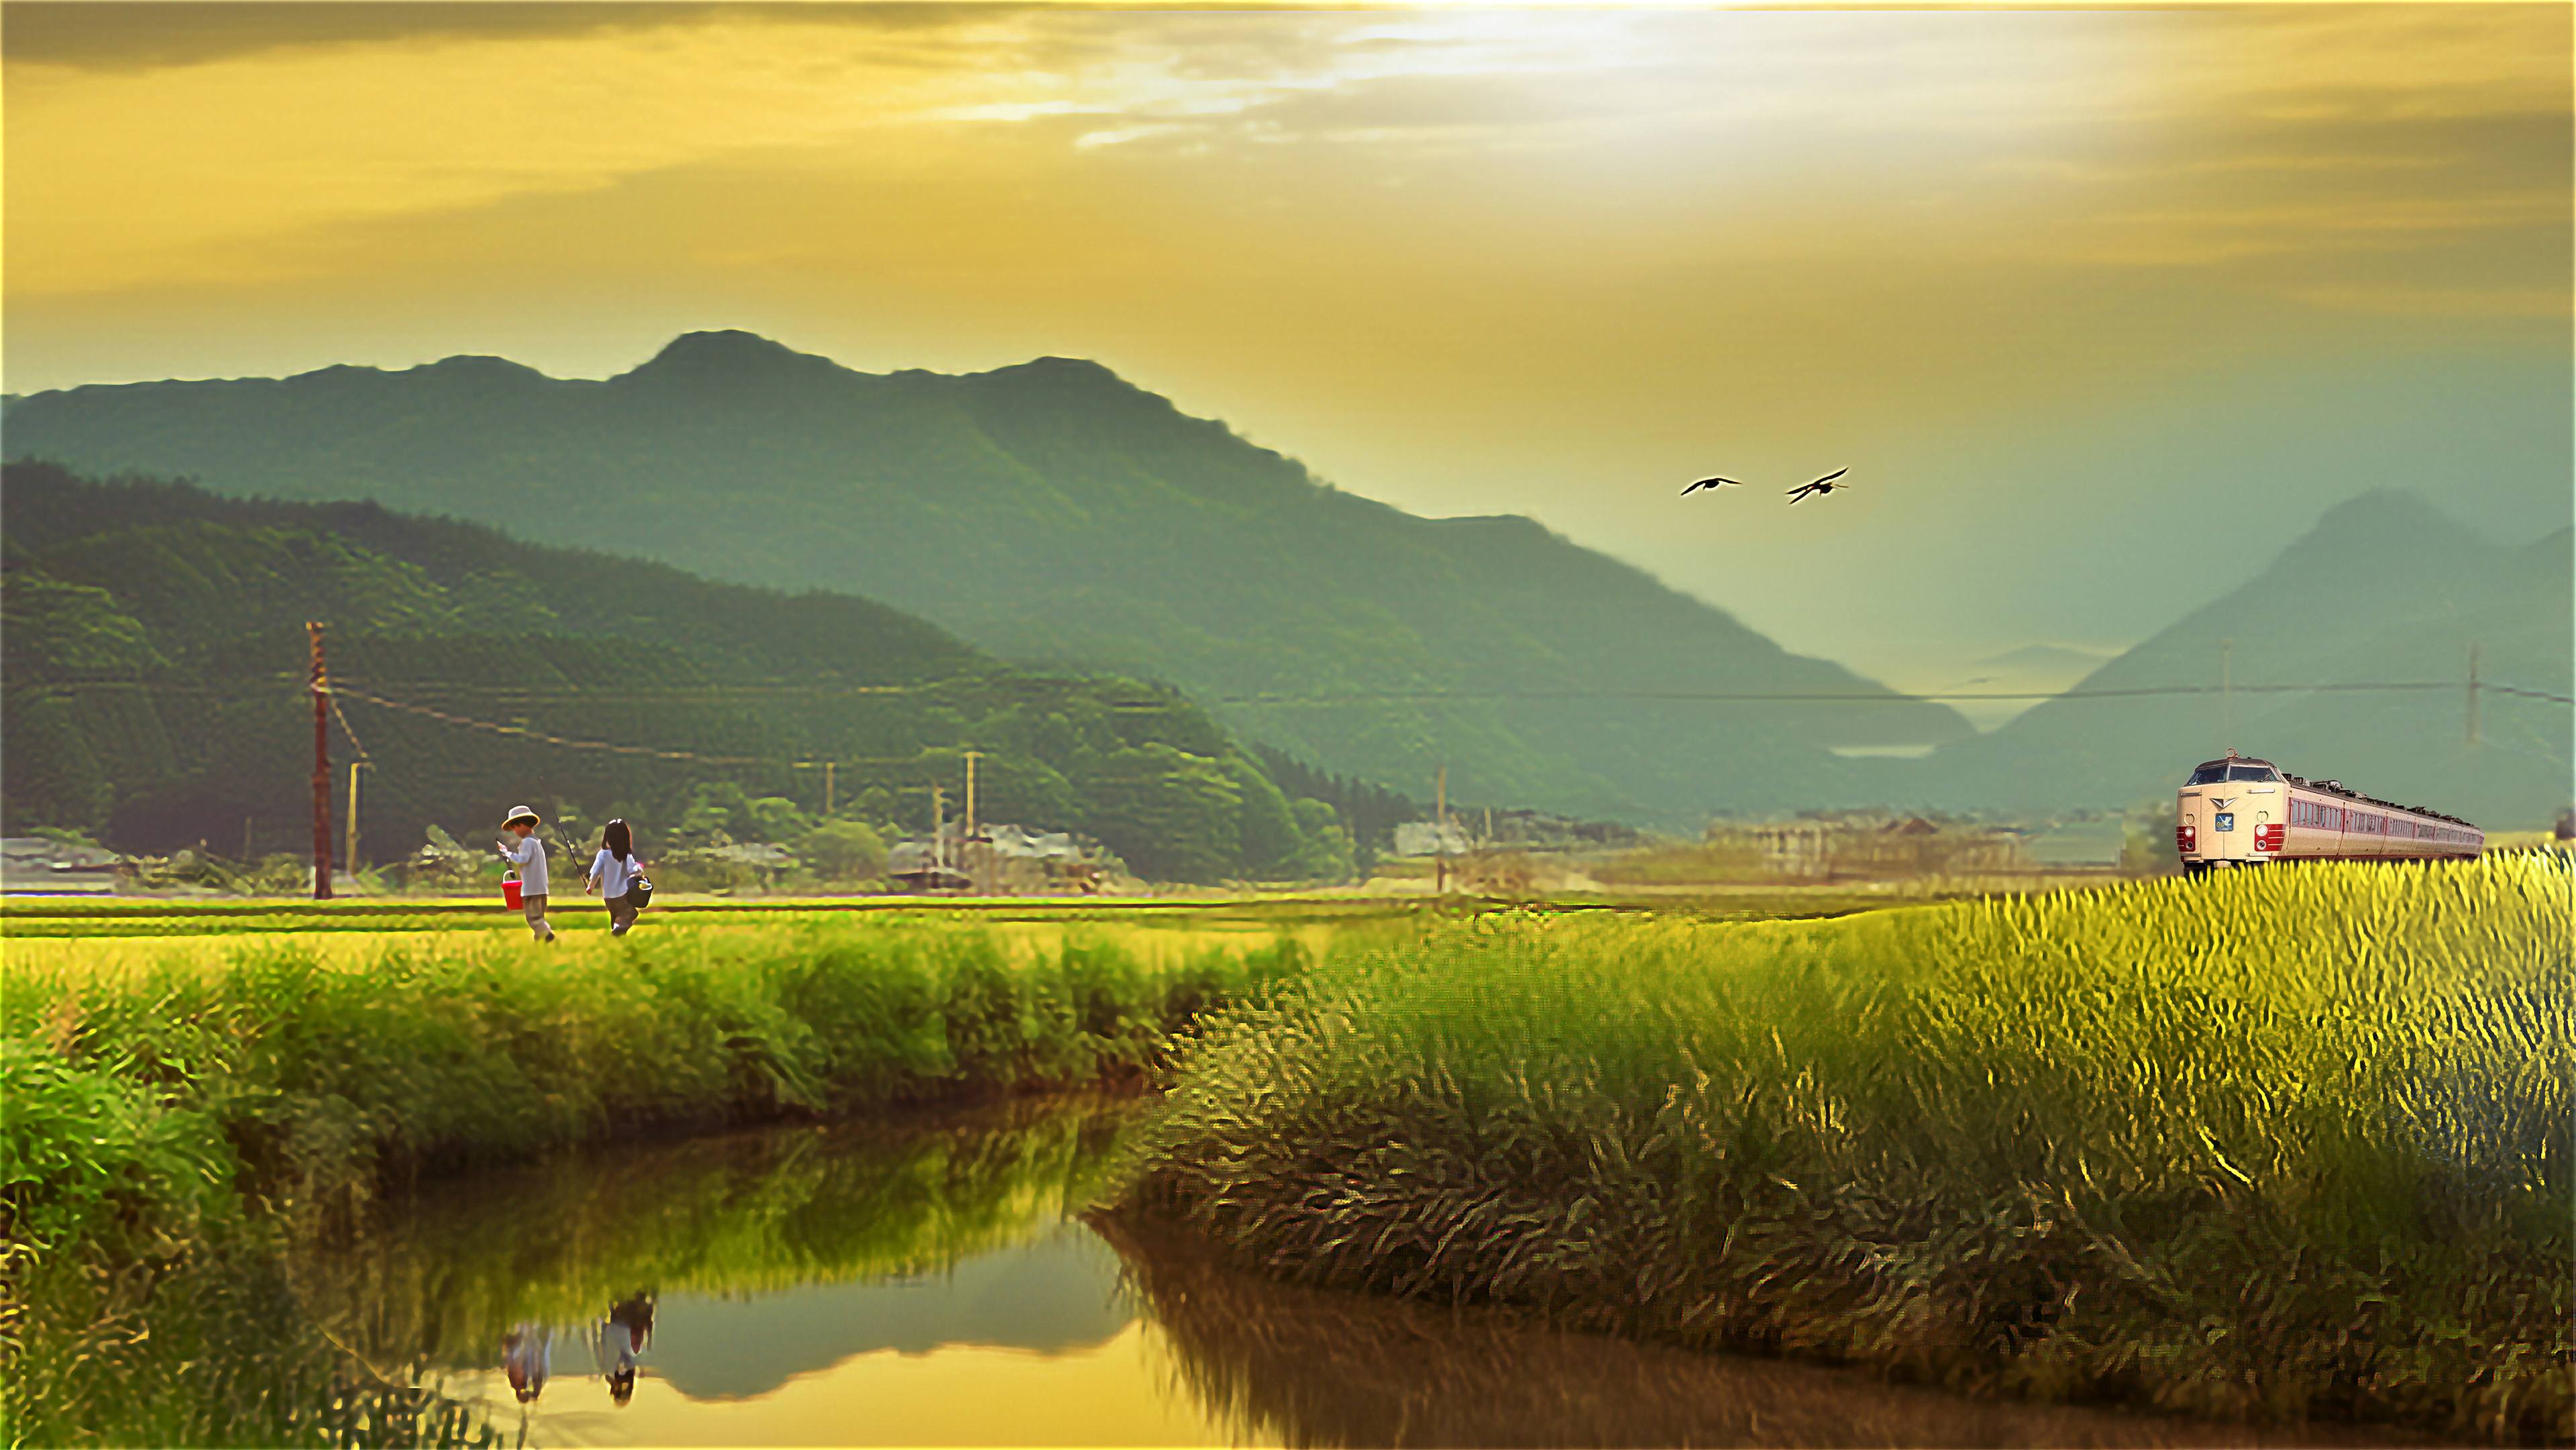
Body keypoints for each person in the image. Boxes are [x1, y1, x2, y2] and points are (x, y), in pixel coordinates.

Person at [495, 806, 556, 943]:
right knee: (539, 917)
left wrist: (506, 853)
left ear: (522, 825)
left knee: (533, 918)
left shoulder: (527, 843)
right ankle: (539, 943)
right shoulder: (536, 842)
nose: (515, 832)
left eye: (515, 828)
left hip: (532, 889)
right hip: (541, 888)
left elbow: (523, 860)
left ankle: (547, 935)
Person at [590, 1292, 656, 1406]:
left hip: (622, 1319)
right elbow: (598, 1342)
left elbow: (598, 1342)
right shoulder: (610, 1368)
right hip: (622, 1320)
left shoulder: (609, 1368)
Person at [585, 818, 647, 936]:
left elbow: (595, 872)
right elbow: (633, 870)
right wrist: (640, 870)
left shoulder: (602, 854)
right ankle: (619, 929)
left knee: (615, 914)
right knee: (631, 913)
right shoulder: (627, 856)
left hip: (608, 897)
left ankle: (617, 934)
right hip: (623, 895)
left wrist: (590, 887)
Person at [502, 1323, 551, 1404]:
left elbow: (515, 1365)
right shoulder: (524, 1383)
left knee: (528, 1337)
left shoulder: (518, 1383)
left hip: (526, 1353)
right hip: (529, 1354)